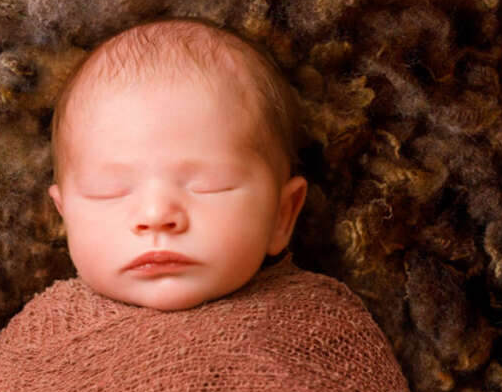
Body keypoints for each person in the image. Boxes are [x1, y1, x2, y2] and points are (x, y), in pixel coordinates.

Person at [47, 16, 309, 311]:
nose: (156, 215)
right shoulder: (37, 338)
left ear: (282, 215)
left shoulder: (319, 321)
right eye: (109, 190)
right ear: (64, 216)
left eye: (209, 186)